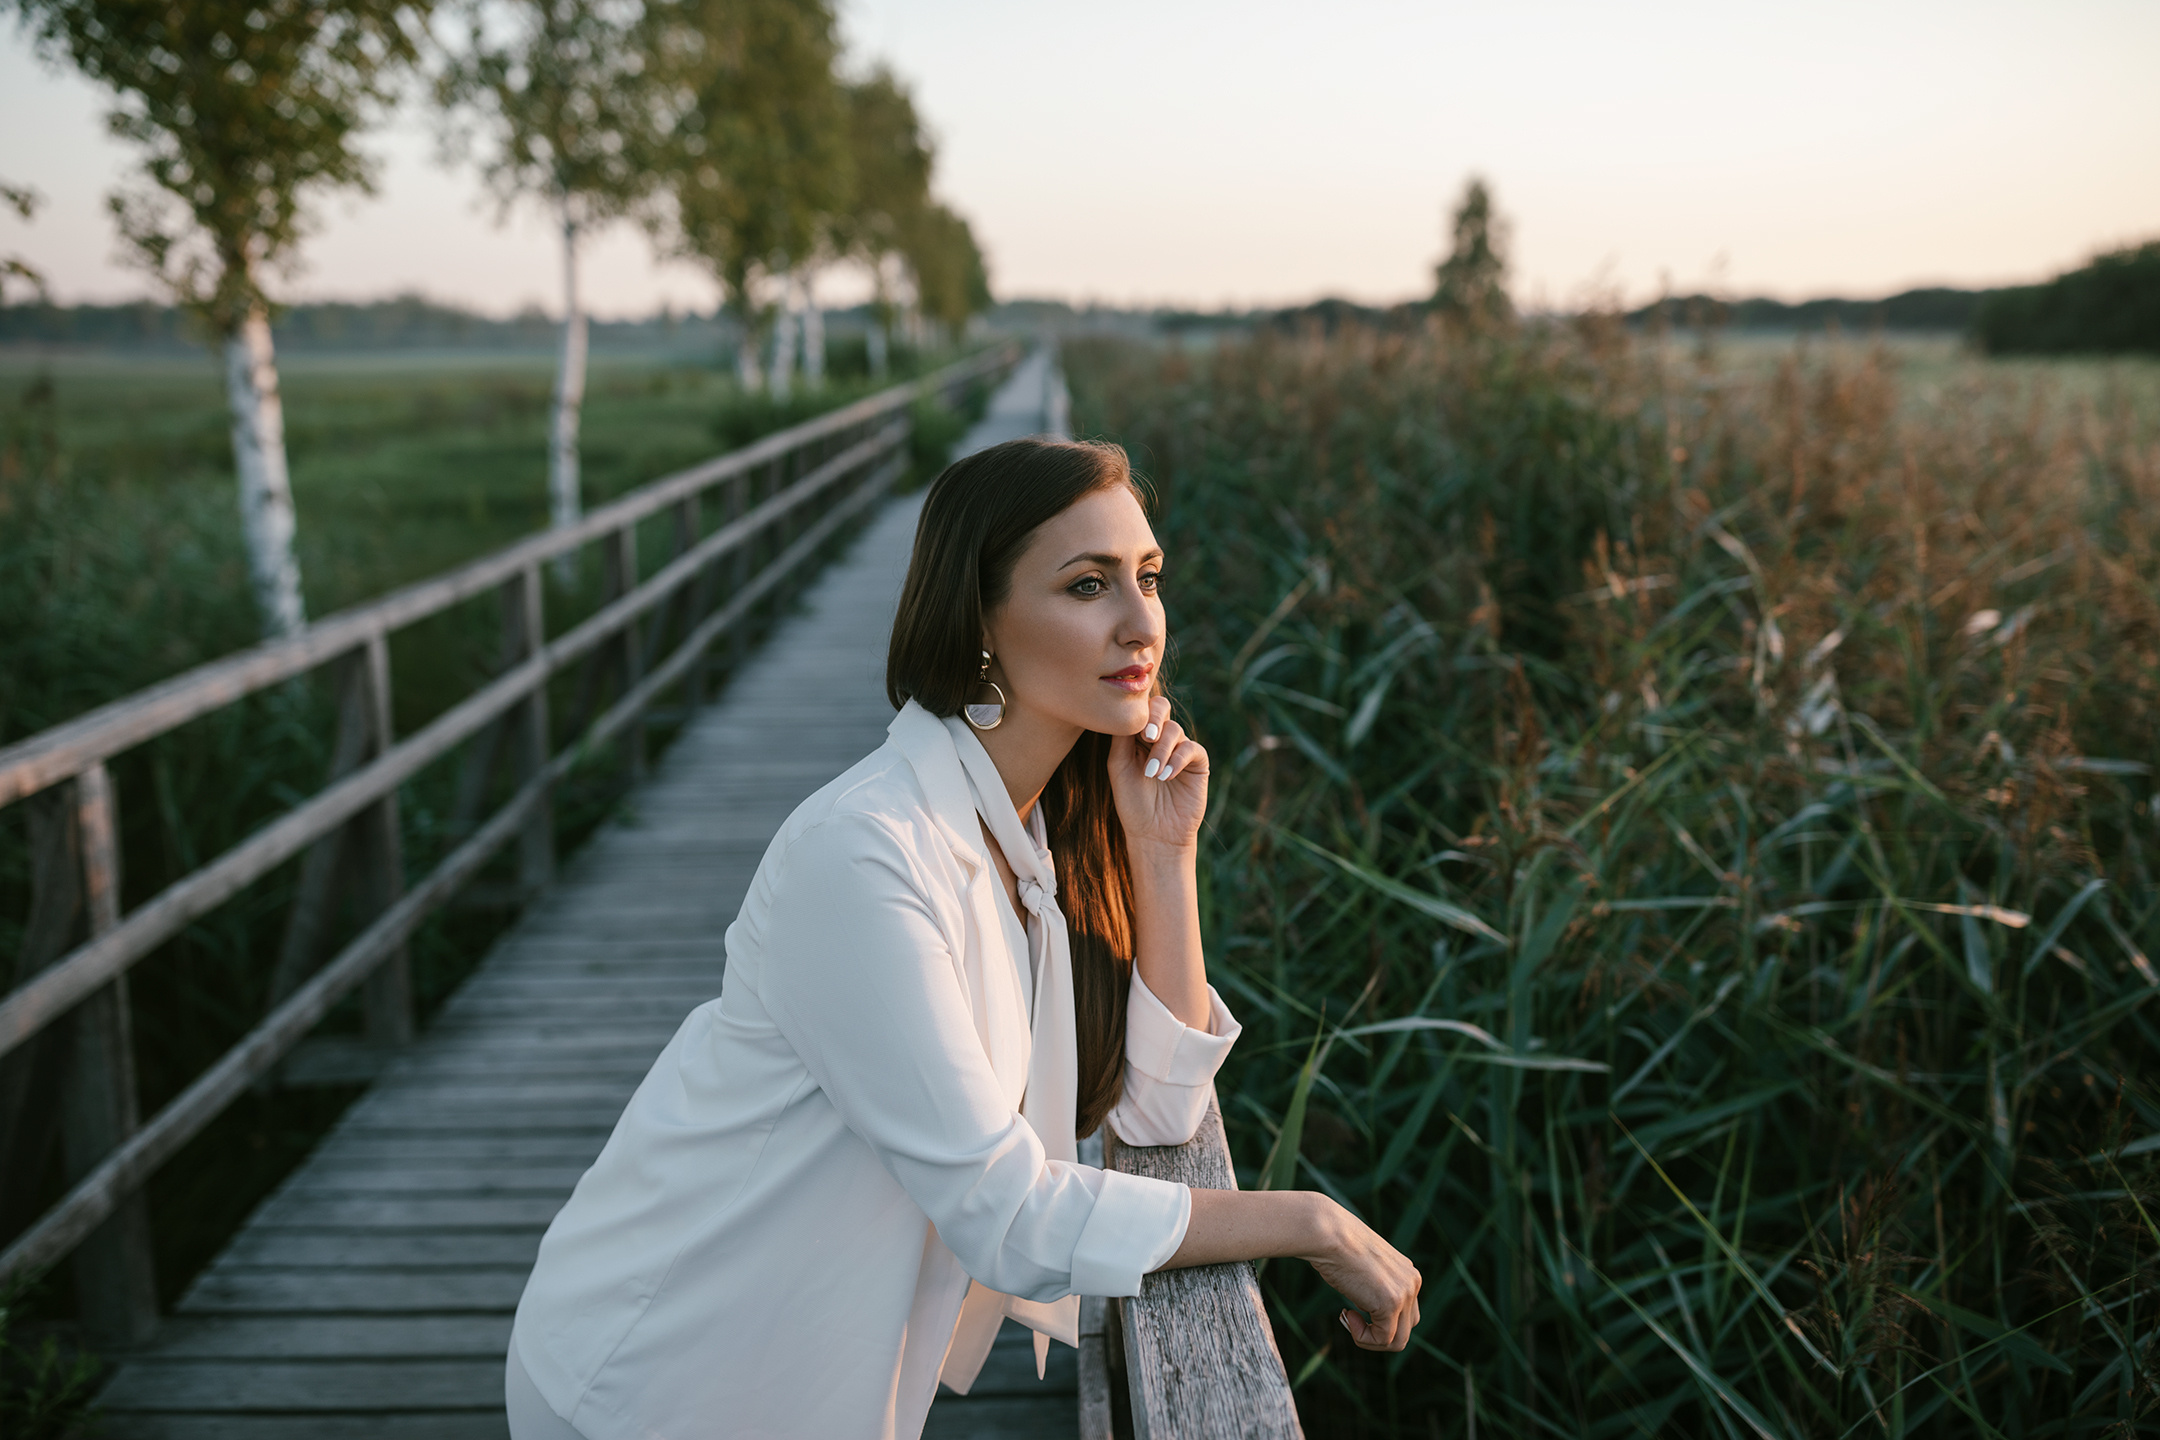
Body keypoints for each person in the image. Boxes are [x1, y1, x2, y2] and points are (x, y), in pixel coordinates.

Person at [503, 437, 1422, 1440]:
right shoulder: (864, 852)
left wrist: (1164, 855)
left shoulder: (1038, 831)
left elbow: (1159, 1114)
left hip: (809, 1368)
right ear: (980, 622)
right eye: (1087, 585)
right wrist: (1308, 1221)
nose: (1140, 622)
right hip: (658, 1373)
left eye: (1149, 578)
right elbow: (1007, 1213)